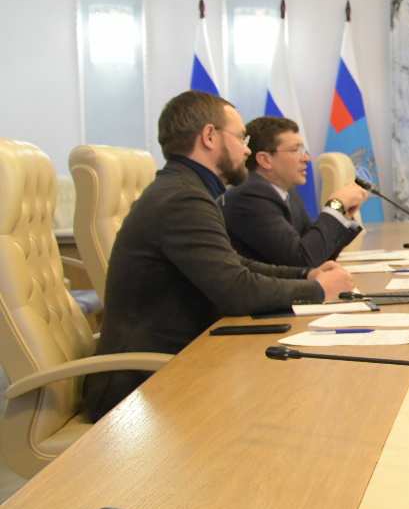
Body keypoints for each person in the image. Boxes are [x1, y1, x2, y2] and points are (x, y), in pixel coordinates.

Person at [82, 92, 354, 421]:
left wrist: (305, 276)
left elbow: (234, 264)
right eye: (241, 138)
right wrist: (319, 290)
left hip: (178, 362)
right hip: (139, 386)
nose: (247, 150)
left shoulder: (186, 189)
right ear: (209, 136)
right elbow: (236, 290)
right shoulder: (182, 198)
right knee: (302, 405)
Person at [224, 115, 367, 266]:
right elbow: (300, 260)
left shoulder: (288, 193)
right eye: (296, 150)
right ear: (265, 160)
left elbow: (318, 254)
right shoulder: (250, 196)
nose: (306, 158)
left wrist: (343, 213)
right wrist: (336, 206)